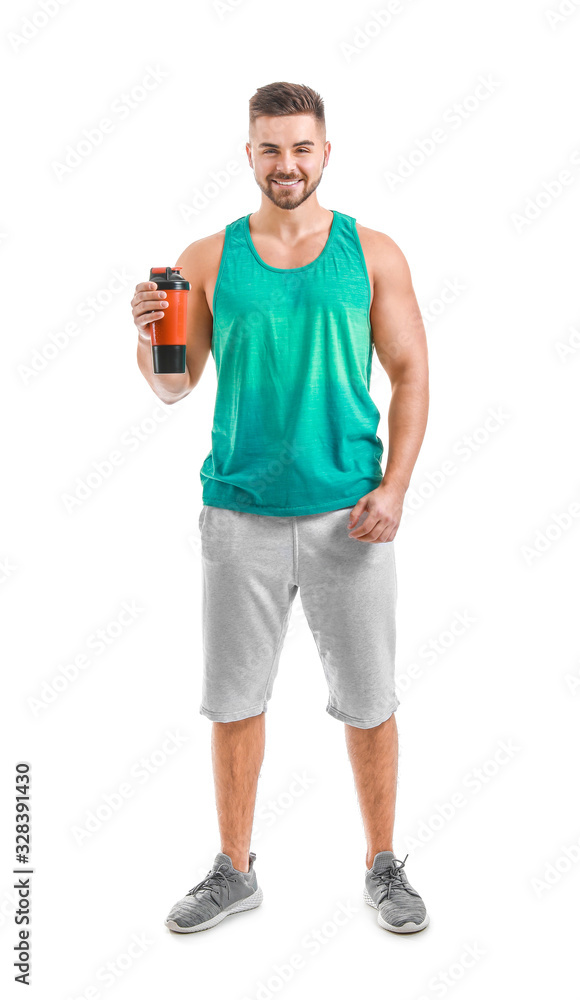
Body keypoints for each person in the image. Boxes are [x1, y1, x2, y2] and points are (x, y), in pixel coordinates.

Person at [131, 81, 430, 935]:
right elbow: (171, 387)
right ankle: (235, 870)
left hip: (351, 517)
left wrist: (397, 484)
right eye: (270, 148)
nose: (287, 163)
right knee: (233, 701)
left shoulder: (373, 253)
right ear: (249, 154)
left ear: (325, 153)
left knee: (370, 700)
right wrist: (146, 334)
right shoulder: (206, 259)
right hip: (239, 514)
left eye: (302, 147)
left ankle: (384, 865)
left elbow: (411, 373)